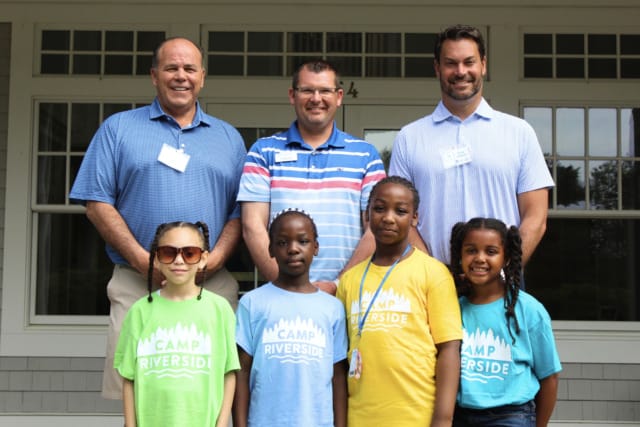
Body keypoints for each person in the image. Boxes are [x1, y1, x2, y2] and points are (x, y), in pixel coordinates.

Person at [69, 37, 246, 399]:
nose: (181, 76)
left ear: (202, 77)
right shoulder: (118, 129)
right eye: (171, 68)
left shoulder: (228, 138)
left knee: (211, 390)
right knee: (137, 393)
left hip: (209, 285)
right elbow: (97, 202)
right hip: (138, 284)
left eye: (189, 69)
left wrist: (216, 259)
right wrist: (144, 262)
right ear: (154, 75)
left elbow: (240, 211)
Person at [389, 24, 554, 267]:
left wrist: (505, 272)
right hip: (431, 282)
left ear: (483, 65)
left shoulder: (519, 132)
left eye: (469, 62)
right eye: (450, 63)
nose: (460, 71)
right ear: (437, 68)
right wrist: (435, 276)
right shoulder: (409, 137)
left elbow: (536, 217)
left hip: (502, 280)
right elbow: (399, 214)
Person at [238, 59, 386, 295]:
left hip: (348, 296)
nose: (316, 98)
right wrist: (286, 285)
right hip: (281, 295)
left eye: (325, 90)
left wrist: (339, 285)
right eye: (307, 90)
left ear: (338, 96)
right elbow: (251, 226)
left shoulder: (365, 156)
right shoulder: (263, 152)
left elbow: (375, 230)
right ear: (292, 95)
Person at [336, 176, 462, 426]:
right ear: (367, 216)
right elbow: (339, 361)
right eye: (379, 208)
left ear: (414, 218)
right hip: (360, 417)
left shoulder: (433, 273)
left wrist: (443, 419)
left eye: (401, 211)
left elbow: (449, 349)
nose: (389, 217)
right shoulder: (350, 280)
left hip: (418, 416)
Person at [114, 221, 239, 427]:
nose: (178, 261)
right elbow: (129, 377)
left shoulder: (219, 309)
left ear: (203, 259)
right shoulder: (139, 311)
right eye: (168, 253)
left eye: (189, 253)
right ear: (156, 259)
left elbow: (229, 372)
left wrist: (222, 423)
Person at [233, 209, 348, 427]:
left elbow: (339, 376)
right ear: (271, 249)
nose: (293, 249)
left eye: (303, 241)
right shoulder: (252, 303)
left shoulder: (332, 308)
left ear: (315, 247)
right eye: (283, 242)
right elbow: (242, 371)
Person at [449, 217, 561, 426]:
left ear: (506, 258)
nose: (480, 258)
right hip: (460, 415)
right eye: (471, 250)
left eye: (491, 252)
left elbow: (549, 378)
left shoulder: (528, 309)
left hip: (511, 415)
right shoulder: (452, 307)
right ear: (460, 255)